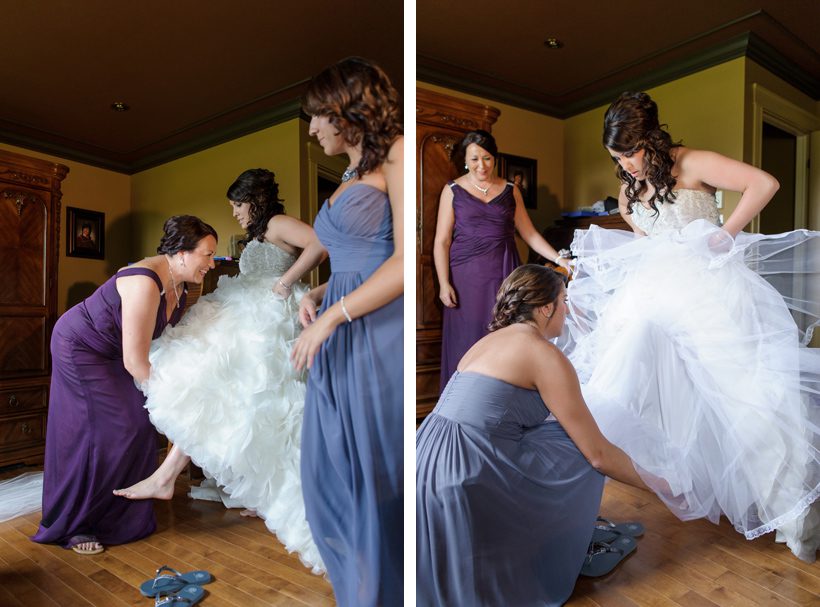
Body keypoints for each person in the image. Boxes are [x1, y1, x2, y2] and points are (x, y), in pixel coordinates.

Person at [562, 91, 820, 562]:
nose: (625, 165)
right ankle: (667, 483)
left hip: (710, 296)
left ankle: (792, 513)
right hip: (657, 300)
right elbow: (644, 236)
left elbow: (763, 183)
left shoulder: (693, 162)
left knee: (745, 397)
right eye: (617, 157)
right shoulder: (628, 187)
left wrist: (725, 234)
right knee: (647, 387)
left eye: (630, 153)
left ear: (651, 139)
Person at [112, 169, 327, 572]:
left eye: (238, 205)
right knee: (231, 397)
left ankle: (169, 476)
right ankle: (236, 487)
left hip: (270, 315)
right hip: (246, 309)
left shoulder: (278, 222)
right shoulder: (260, 231)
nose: (235, 213)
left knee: (252, 399)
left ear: (256, 200)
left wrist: (286, 282)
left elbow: (321, 243)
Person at [417, 265, 649, 606]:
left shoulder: (486, 342)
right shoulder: (543, 354)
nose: (567, 309)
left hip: (424, 461)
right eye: (564, 300)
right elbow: (598, 455)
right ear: (545, 308)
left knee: (556, 434)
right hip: (463, 472)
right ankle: (555, 544)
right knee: (579, 450)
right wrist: (660, 486)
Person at [32, 215, 218, 555]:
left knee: (139, 424)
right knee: (107, 428)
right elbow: (135, 362)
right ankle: (77, 522)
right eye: (207, 255)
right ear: (181, 253)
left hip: (117, 352)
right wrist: (175, 403)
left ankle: (121, 513)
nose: (212, 263)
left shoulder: (186, 286)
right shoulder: (144, 282)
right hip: (81, 347)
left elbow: (162, 344)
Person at [290, 57, 403, 606]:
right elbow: (356, 258)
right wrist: (317, 294)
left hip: (376, 331)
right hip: (339, 325)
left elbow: (401, 264)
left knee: (376, 470)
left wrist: (334, 314)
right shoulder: (349, 176)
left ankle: (387, 590)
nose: (312, 129)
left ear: (347, 110)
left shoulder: (397, 155)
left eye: (318, 116)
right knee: (326, 472)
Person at [433, 130, 571, 390]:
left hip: (505, 272)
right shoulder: (452, 190)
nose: (481, 165)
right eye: (474, 159)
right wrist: (443, 283)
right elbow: (442, 241)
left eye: (487, 158)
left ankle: (504, 396)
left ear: (495, 158)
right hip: (465, 278)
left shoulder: (510, 190)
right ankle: (463, 399)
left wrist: (559, 258)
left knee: (506, 334)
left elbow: (529, 233)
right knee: (467, 337)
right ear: (465, 161)